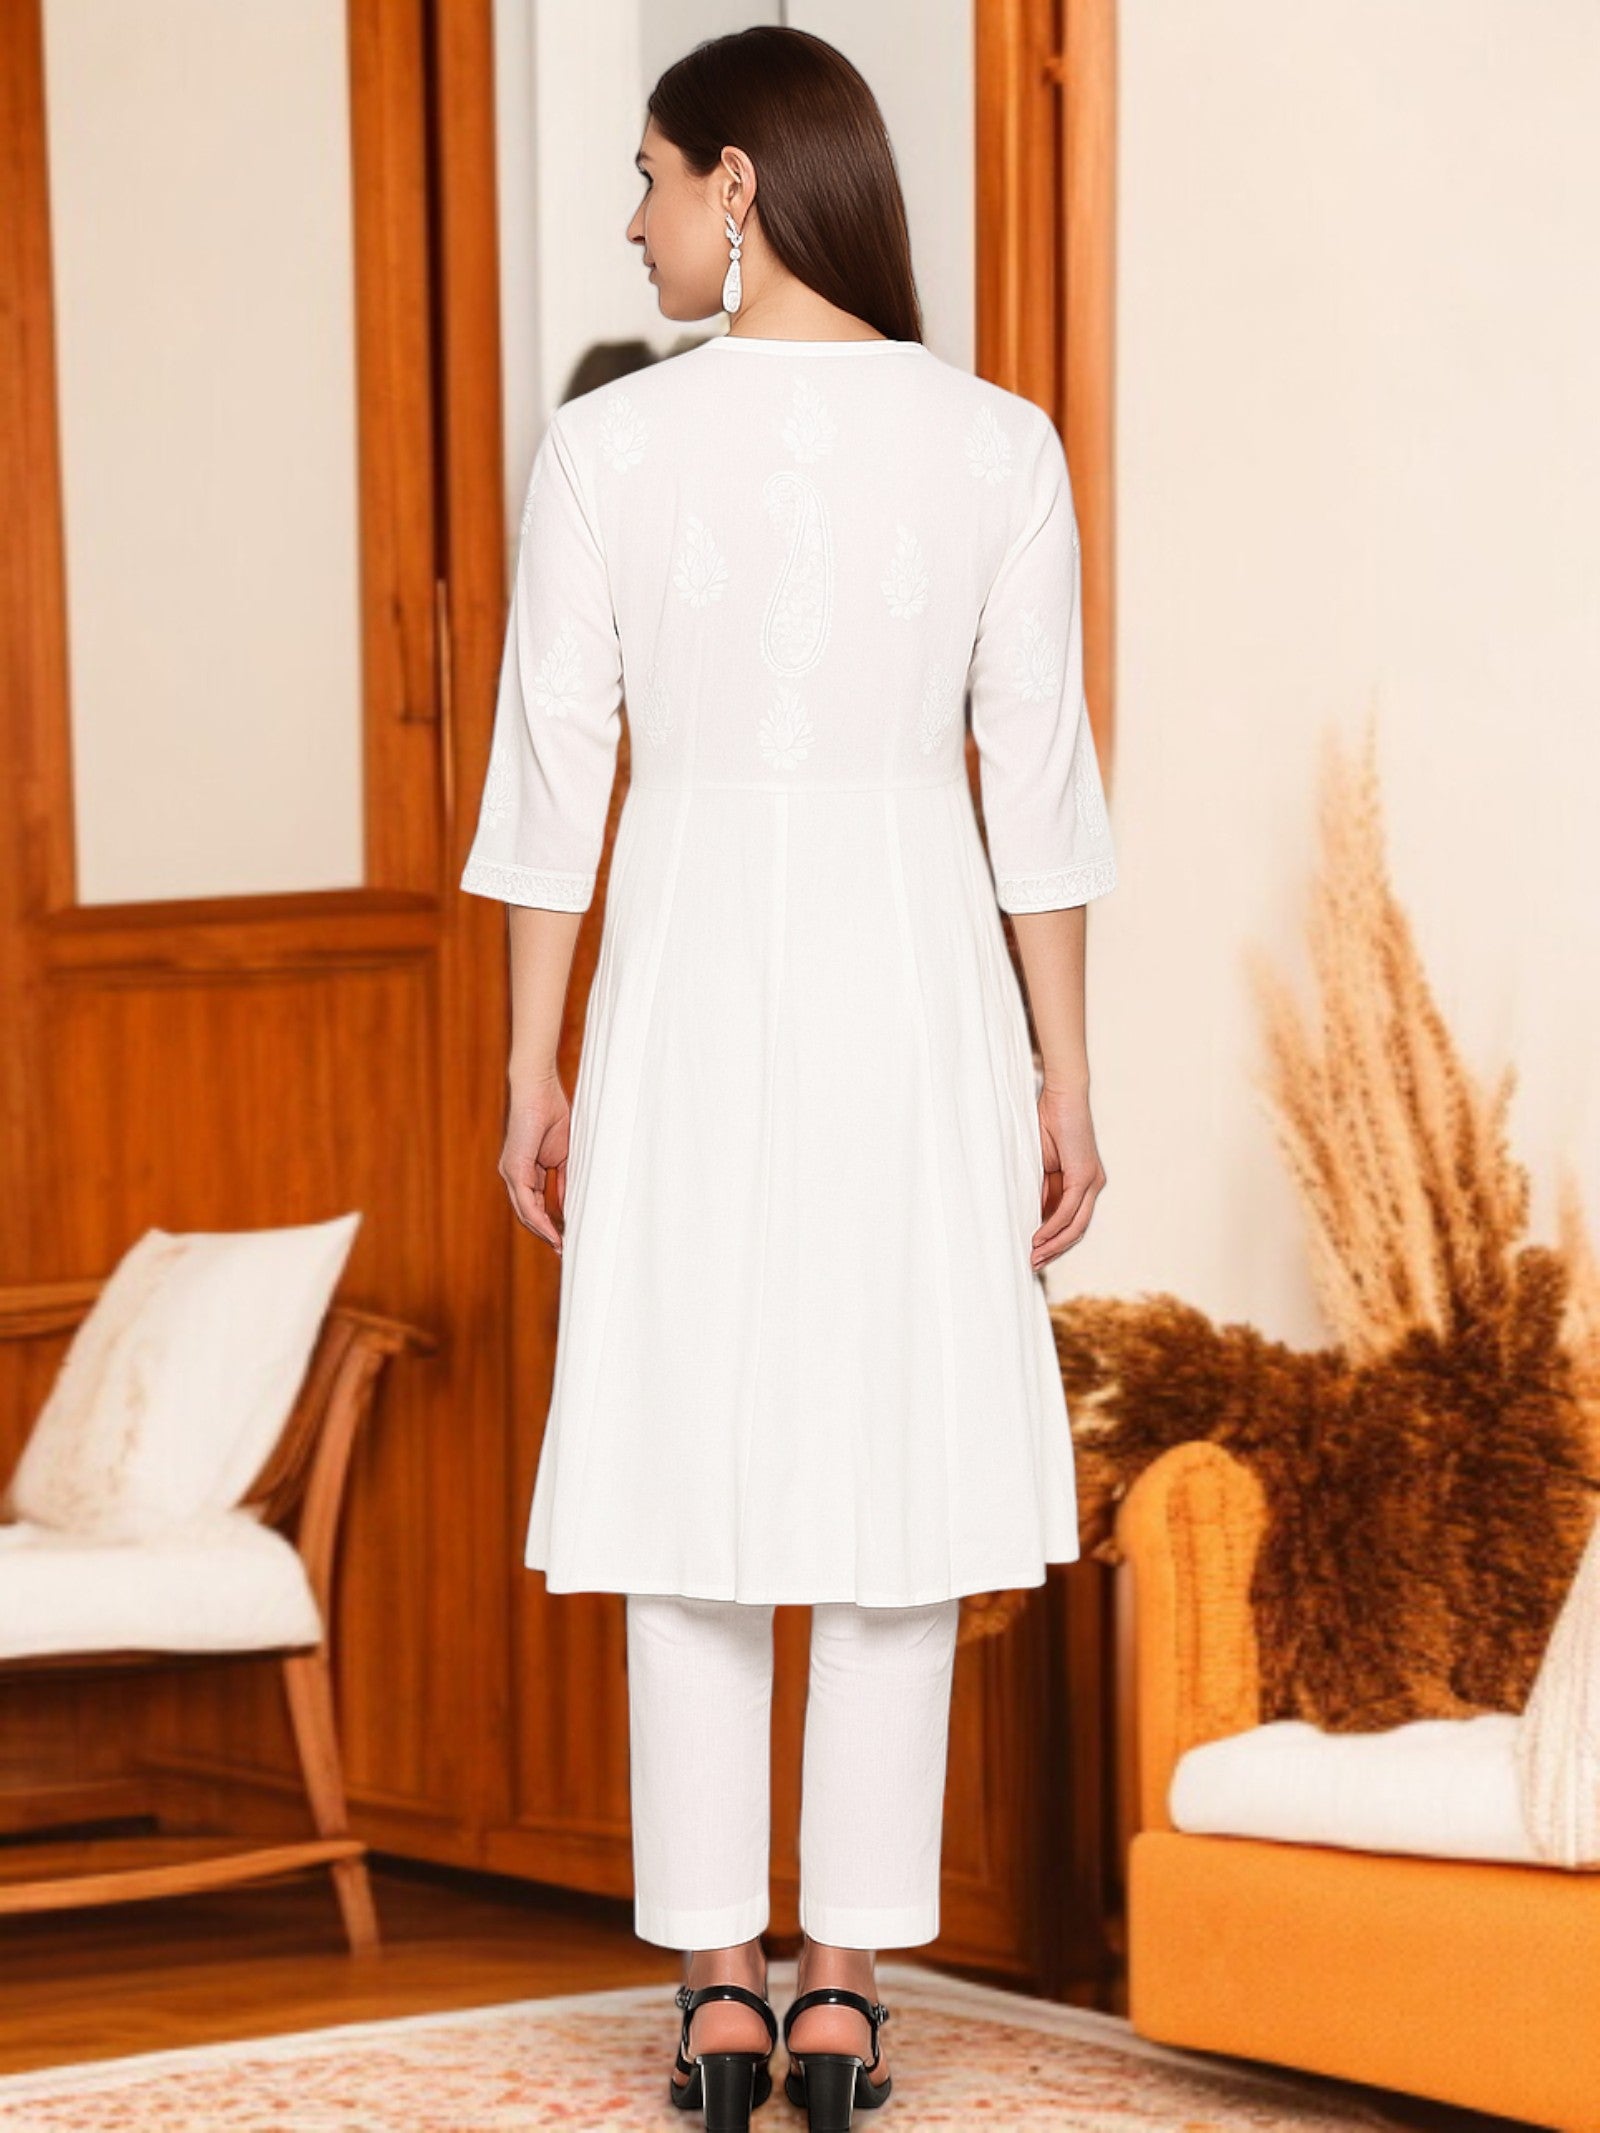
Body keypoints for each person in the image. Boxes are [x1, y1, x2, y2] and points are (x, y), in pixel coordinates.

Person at [460, 25, 1117, 2132]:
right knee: (889, 1469)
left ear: (739, 185)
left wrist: (528, 1061)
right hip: (921, 982)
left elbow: (556, 790)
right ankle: (841, 1979)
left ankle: (711, 1979)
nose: (631, 219)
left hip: (684, 982)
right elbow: (1040, 794)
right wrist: (1067, 1072)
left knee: (691, 1457)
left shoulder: (611, 451)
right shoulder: (997, 440)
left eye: (649, 177)